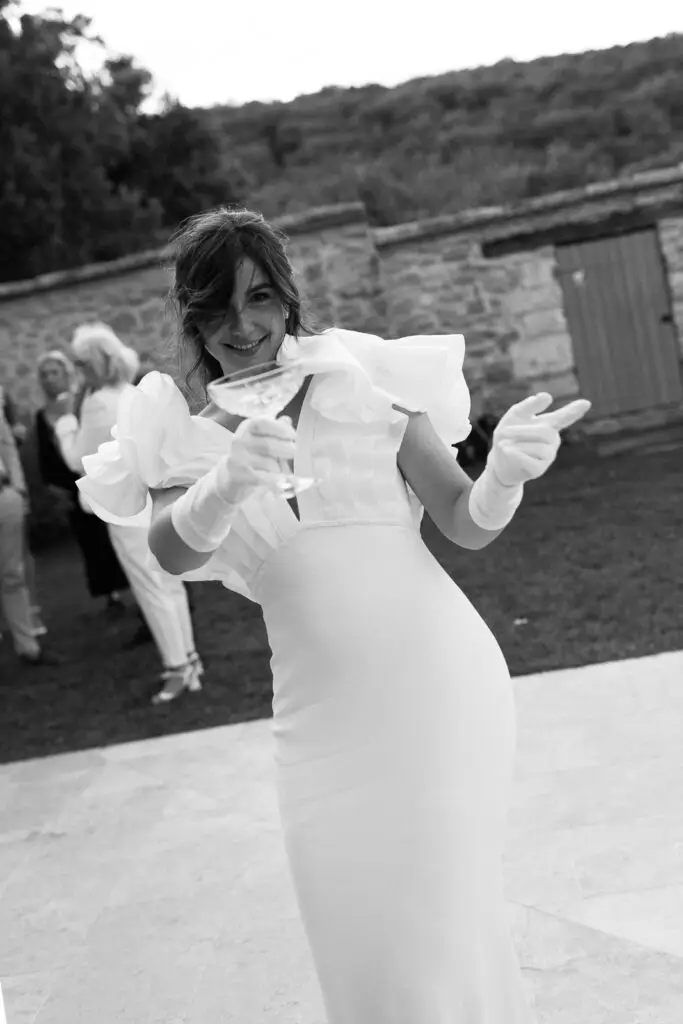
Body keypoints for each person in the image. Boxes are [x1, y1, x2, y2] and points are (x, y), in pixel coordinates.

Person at [76, 207, 590, 1022]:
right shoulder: (179, 430)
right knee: (357, 943)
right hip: (317, 725)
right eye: (215, 307)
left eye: (258, 299)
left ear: (287, 299)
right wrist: (224, 481)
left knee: (443, 927)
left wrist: (503, 476)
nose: (241, 326)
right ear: (191, 318)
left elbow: (463, 520)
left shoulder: (371, 379)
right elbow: (170, 553)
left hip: (439, 687)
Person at [53, 323, 203, 704]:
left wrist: (65, 423)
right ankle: (188, 658)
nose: (77, 370)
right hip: (154, 498)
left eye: (81, 362)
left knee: (151, 589)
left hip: (126, 508)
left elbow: (76, 459)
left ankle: (176, 668)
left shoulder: (95, 402)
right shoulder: (132, 393)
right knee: (169, 585)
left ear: (100, 362)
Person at [34, 350, 130, 613]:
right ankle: (110, 594)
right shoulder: (42, 415)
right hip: (71, 487)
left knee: (118, 538)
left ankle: (135, 588)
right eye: (44, 375)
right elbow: (46, 454)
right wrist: (56, 486)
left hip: (94, 475)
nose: (50, 379)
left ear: (66, 374)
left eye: (54, 372)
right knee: (92, 544)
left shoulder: (84, 402)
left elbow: (86, 442)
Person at [0, 383, 55, 664]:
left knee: (13, 574)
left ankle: (27, 646)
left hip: (4, 494)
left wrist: (19, 488)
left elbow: (6, 442)